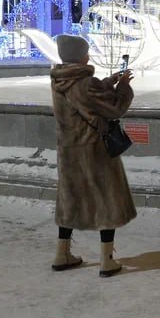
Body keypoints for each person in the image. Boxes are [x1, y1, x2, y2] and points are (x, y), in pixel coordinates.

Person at [49, 33, 136, 277]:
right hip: (94, 151)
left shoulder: (59, 80)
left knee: (70, 199)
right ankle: (107, 260)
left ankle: (61, 253)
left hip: (69, 151)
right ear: (80, 56)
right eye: (86, 52)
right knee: (107, 200)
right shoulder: (86, 83)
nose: (89, 55)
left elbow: (83, 98)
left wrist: (107, 82)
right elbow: (116, 107)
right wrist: (124, 87)